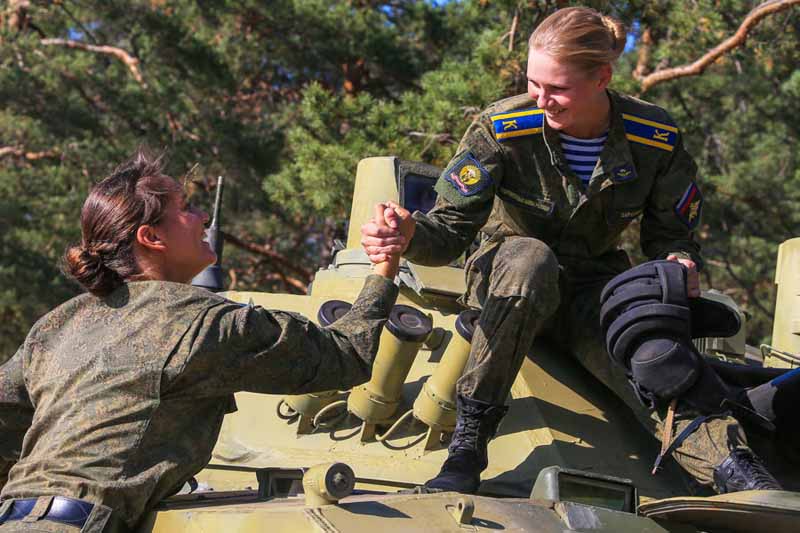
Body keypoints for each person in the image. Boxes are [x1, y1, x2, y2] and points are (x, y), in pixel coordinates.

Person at [361, 6, 781, 495]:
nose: (542, 99)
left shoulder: (654, 140)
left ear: (602, 77)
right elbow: (451, 231)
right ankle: (469, 444)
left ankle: (737, 476)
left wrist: (679, 262)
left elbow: (672, 235)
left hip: (591, 289)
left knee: (651, 354)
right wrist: (409, 235)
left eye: (556, 89)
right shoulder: (502, 129)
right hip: (506, 278)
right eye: (534, 83)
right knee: (530, 260)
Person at [0, 149, 413, 532]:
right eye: (186, 209)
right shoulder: (206, 323)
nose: (202, 220)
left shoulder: (58, 324)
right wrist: (384, 268)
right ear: (151, 238)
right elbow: (345, 355)